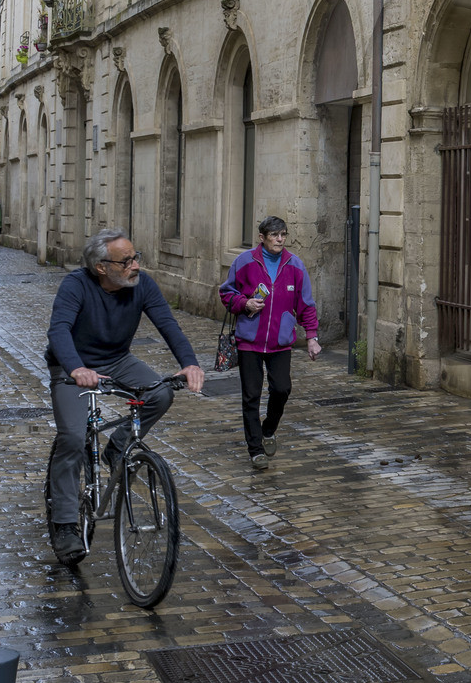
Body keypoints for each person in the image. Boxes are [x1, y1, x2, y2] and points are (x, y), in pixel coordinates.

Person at [46, 229, 205, 565]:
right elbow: (58, 330)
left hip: (118, 360)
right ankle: (63, 524)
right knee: (73, 438)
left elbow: (168, 324)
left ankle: (117, 447)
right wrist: (76, 369)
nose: (135, 265)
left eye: (136, 257)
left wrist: (189, 364)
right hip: (71, 366)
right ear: (102, 267)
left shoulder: (141, 285)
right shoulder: (76, 285)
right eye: (127, 260)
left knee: (160, 393)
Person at [220, 214, 321, 470]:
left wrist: (312, 337)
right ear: (262, 238)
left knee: (282, 389)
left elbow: (306, 304)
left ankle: (268, 430)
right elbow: (226, 292)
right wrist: (245, 304)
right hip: (249, 341)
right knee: (251, 396)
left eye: (283, 234)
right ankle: (255, 450)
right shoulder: (245, 262)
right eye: (275, 235)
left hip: (280, 342)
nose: (280, 239)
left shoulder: (295, 265)